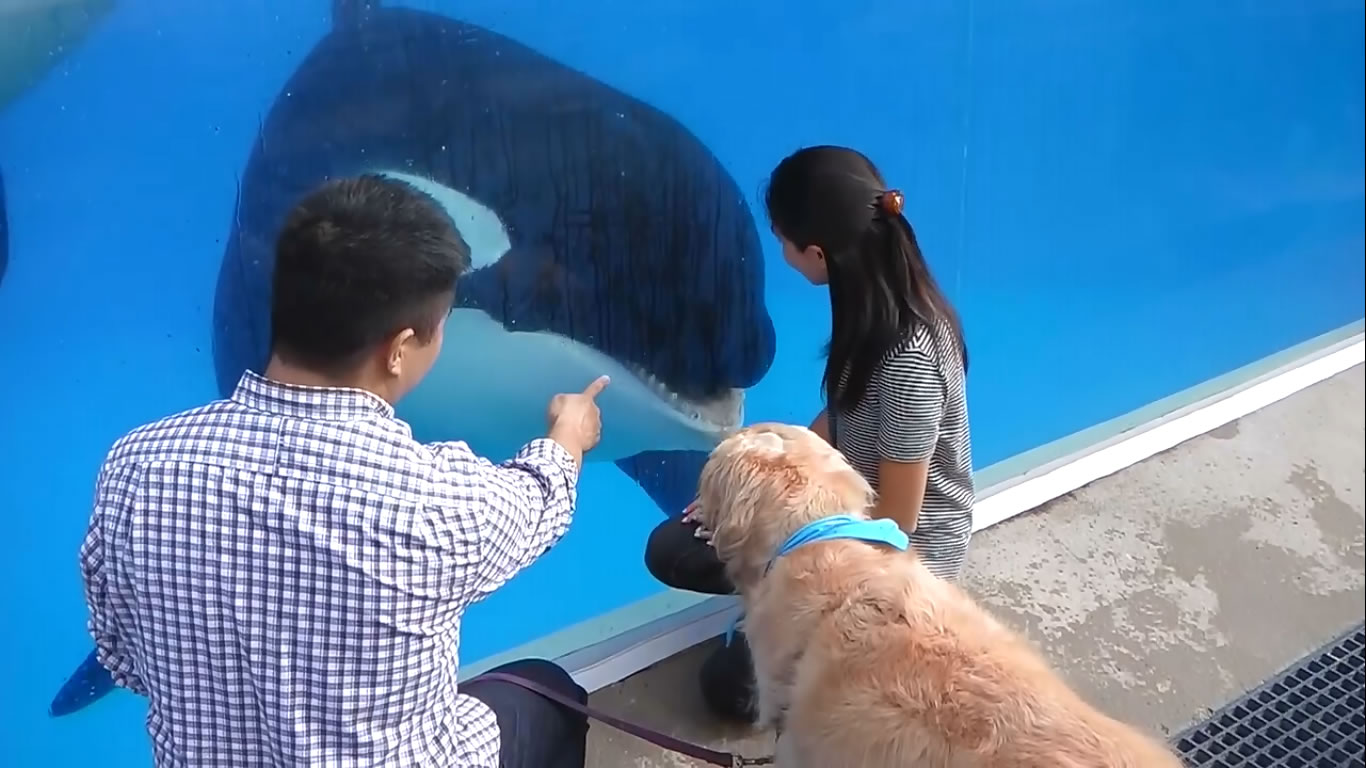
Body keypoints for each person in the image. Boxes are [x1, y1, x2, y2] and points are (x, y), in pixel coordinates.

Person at [79, 174, 608, 768]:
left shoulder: (135, 467)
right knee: (549, 691)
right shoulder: (441, 499)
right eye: (441, 326)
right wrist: (569, 432)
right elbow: (540, 500)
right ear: (399, 347)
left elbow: (122, 658)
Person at [642, 145, 975, 723]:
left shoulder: (909, 358)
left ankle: (818, 635)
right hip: (847, 514)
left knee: (730, 692)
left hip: (901, 562)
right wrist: (742, 491)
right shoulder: (873, 304)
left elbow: (899, 523)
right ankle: (784, 617)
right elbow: (839, 422)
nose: (782, 253)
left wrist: (781, 544)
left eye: (783, 241)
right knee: (672, 548)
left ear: (817, 253)